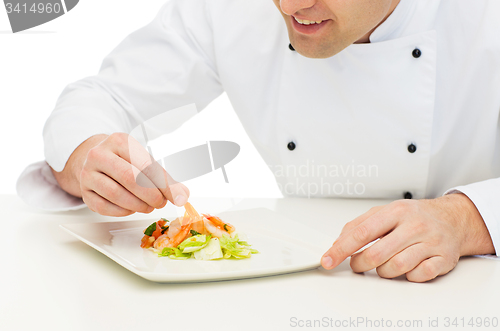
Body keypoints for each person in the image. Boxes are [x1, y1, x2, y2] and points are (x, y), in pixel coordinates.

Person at [17, 0, 499, 282]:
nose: (290, 6)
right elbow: (99, 98)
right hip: (304, 280)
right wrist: (88, 160)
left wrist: (467, 219)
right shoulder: (228, 9)